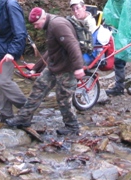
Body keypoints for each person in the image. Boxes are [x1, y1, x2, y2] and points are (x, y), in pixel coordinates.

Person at [7, 8, 85, 136]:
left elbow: (73, 45)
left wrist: (78, 67)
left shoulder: (58, 25)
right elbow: (51, 51)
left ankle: (72, 126)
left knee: (63, 98)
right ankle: (24, 117)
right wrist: (35, 68)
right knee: (38, 87)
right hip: (54, 66)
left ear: (43, 18)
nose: (35, 27)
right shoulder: (50, 25)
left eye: (36, 24)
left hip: (67, 68)